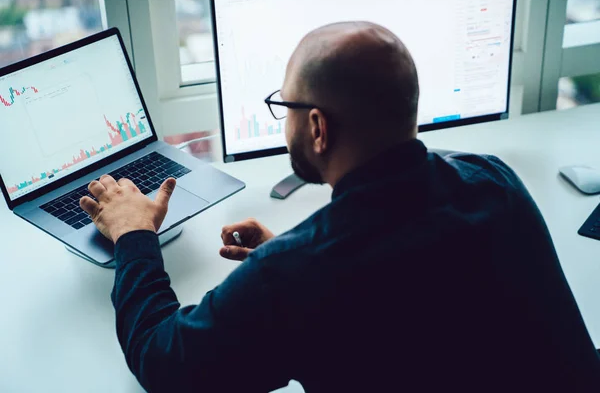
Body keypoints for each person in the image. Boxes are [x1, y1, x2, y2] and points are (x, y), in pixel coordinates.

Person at [80, 22, 600, 392]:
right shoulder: (495, 180)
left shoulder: (297, 275)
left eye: (284, 107)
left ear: (317, 128)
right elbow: (412, 280)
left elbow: (162, 363)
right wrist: (288, 253)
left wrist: (133, 236)